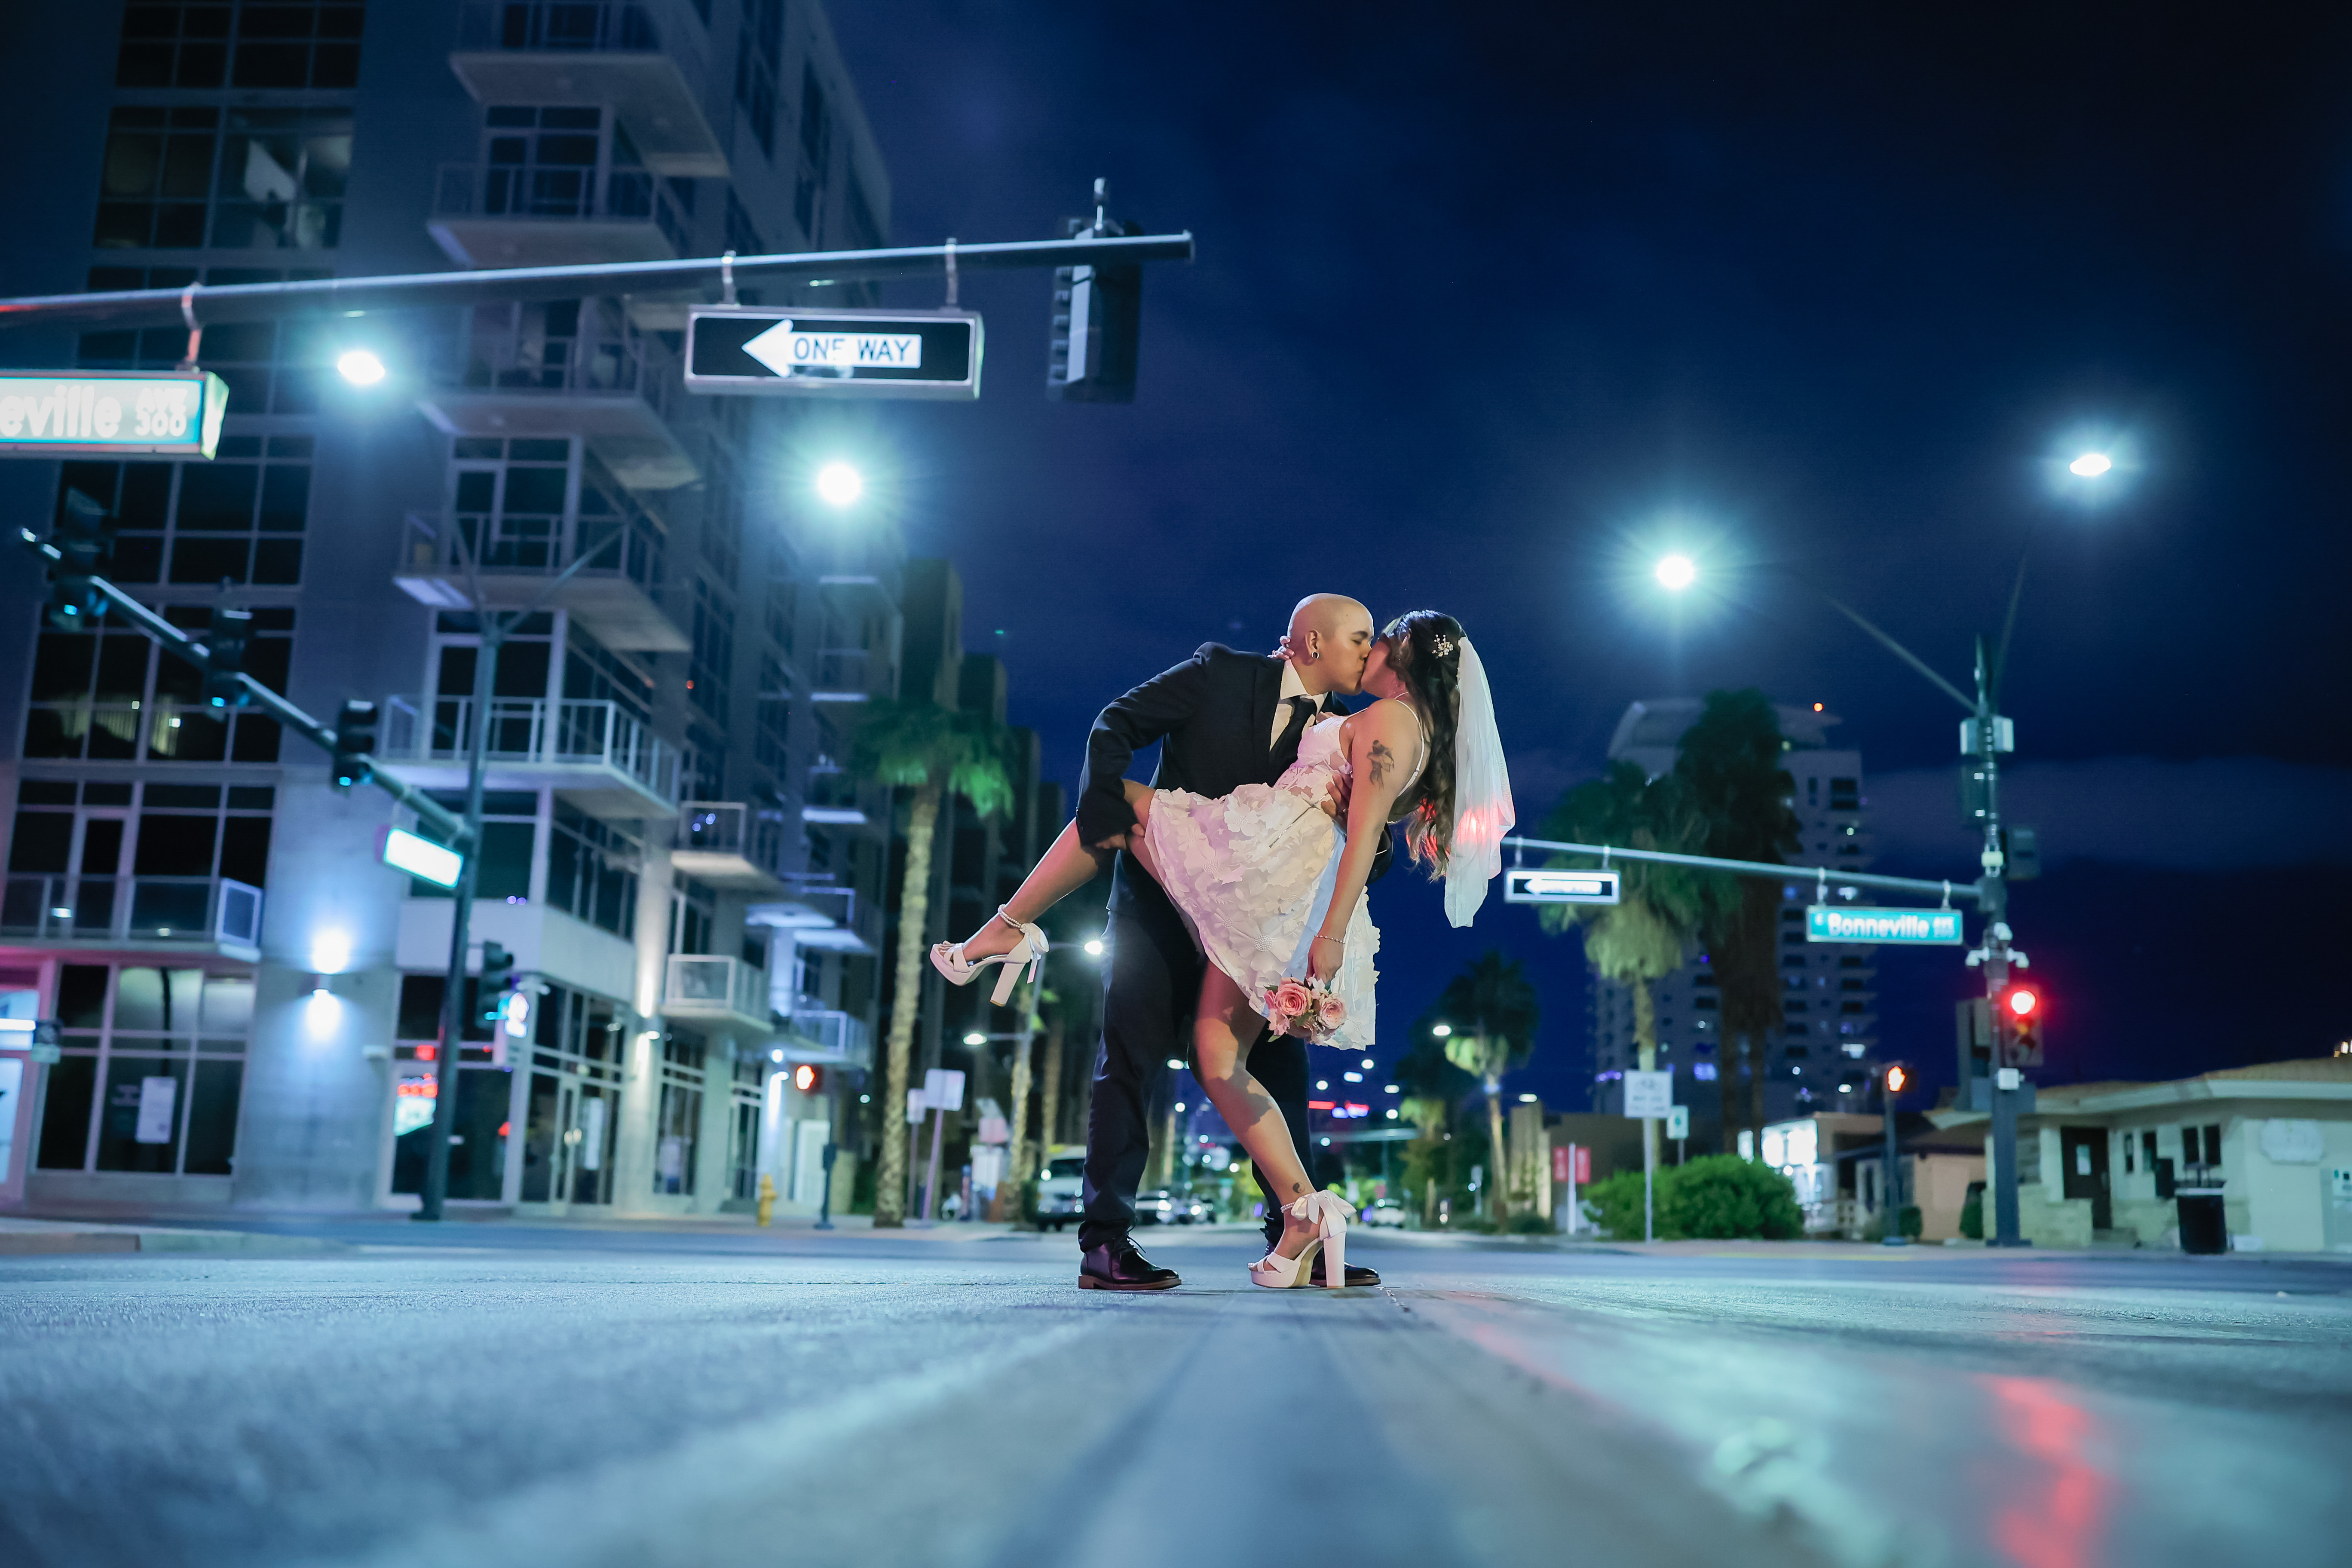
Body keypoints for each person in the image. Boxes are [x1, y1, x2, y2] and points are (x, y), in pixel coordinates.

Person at [935, 603, 1513, 1290]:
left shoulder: (1388, 720)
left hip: (1262, 874)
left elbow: (1364, 838)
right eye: (1361, 638)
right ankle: (1235, 1225)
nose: (1370, 650)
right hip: (1240, 871)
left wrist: (1328, 929)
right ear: (1314, 643)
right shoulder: (1256, 682)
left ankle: (1006, 929)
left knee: (1119, 812)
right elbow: (1120, 721)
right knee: (1191, 1057)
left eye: (1381, 639)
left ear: (1407, 657)